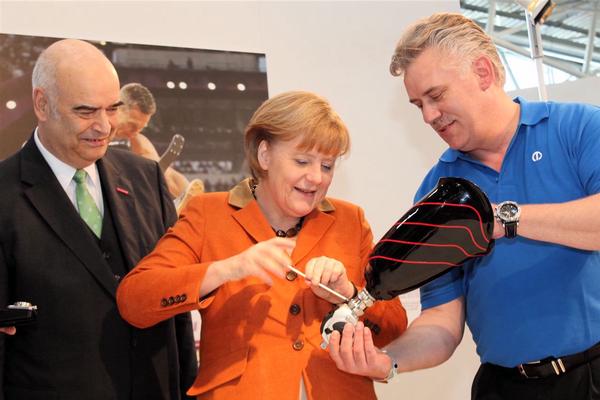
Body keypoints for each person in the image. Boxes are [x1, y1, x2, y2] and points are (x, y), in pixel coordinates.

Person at [328, 12, 600, 400]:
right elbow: (443, 320)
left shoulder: (577, 129)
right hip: (504, 388)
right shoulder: (436, 193)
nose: (428, 116)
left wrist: (501, 218)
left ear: (484, 73)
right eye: (417, 104)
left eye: (436, 96)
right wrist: (386, 361)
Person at [116, 90, 408, 399]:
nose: (316, 177)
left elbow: (393, 327)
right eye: (302, 161)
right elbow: (135, 300)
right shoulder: (208, 214)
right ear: (264, 155)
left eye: (327, 165)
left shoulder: (350, 220)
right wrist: (227, 269)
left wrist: (347, 293)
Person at [0, 39, 197, 400]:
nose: (104, 126)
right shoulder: (3, 194)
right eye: (86, 111)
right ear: (42, 105)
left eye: (112, 109)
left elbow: (177, 309)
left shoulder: (147, 179)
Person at [114, 82, 191, 199]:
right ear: (118, 108)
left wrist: (187, 193)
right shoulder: (93, 129)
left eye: (141, 128)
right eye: (132, 125)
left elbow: (167, 174)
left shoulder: (137, 142)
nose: (135, 132)